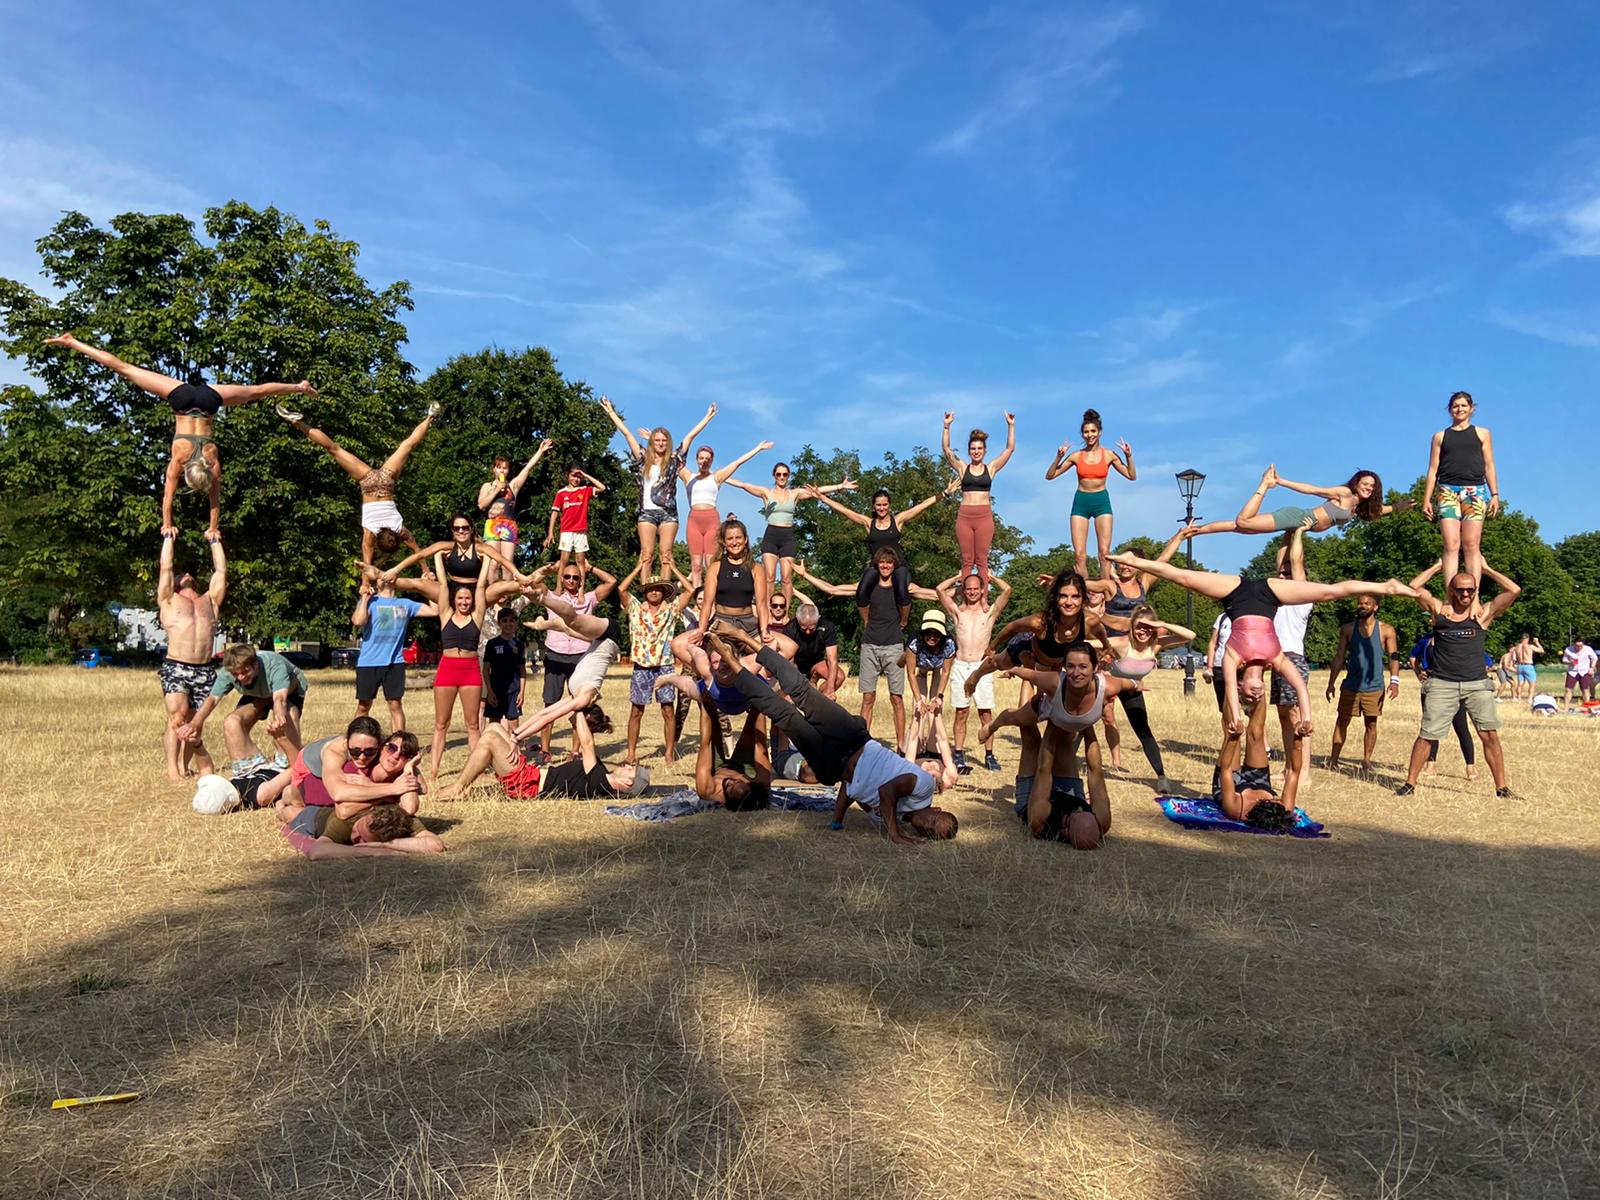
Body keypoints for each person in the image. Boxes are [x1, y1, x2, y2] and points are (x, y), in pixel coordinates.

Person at [1104, 549, 1414, 741]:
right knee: (1328, 593)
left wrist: (1237, 716)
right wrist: (1307, 718)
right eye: (1258, 693)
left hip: (1235, 594)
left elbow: (1229, 697)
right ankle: (1385, 587)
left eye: (1249, 693)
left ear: (1242, 687)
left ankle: (1136, 561)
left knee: (1182, 578)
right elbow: (1301, 689)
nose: (1255, 691)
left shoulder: (1234, 658)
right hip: (1268, 595)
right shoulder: (1275, 658)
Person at [44, 333, 317, 536]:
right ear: (188, 473)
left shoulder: (212, 462)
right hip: (182, 402)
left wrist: (213, 526)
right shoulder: (180, 460)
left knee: (257, 391)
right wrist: (168, 523)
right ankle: (299, 386)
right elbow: (167, 498)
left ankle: (72, 342)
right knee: (124, 369)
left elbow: (214, 500)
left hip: (209, 400)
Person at [1395, 560, 1521, 797]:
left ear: (1475, 591)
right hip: (1442, 684)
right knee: (1427, 735)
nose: (1465, 593)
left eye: (1470, 590)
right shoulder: (1439, 612)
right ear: (1451, 590)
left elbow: (1514, 591)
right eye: (1460, 589)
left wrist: (1487, 570)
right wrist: (1438, 565)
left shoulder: (1482, 616)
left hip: (1477, 684)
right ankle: (1410, 784)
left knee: (1489, 735)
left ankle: (1502, 788)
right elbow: (1414, 586)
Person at [993, 644, 1119, 849]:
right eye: (1083, 810)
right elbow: (1096, 773)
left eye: (1075, 816)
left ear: (1066, 830)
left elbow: (1043, 770)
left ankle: (1028, 672)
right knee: (1066, 740)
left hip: (1033, 797)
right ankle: (1037, 677)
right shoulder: (1101, 822)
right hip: (1069, 793)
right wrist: (1087, 726)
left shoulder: (1041, 822)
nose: (1077, 811)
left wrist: (1055, 717)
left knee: (1030, 737)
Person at [278, 406, 437, 567]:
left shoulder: (399, 529)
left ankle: (430, 417)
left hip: (384, 480)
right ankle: (297, 423)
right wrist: (365, 584)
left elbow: (418, 551)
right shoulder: (370, 533)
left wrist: (425, 569)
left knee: (407, 445)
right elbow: (367, 563)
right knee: (333, 450)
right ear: (378, 543)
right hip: (368, 484)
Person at [426, 554, 524, 785]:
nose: (464, 602)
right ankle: (433, 770)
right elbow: (442, 585)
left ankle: (474, 768)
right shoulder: (445, 614)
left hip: (470, 670)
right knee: (441, 723)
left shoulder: (477, 616)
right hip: (447, 669)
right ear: (454, 599)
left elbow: (481, 585)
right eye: (460, 598)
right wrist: (438, 558)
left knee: (472, 724)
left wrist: (487, 558)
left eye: (467, 598)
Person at [798, 552, 913, 746]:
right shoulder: (865, 587)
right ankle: (863, 743)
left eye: (889, 563)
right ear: (877, 565)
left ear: (895, 565)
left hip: (893, 646)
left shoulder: (904, 587)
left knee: (897, 698)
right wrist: (805, 575)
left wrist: (961, 584)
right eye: (882, 562)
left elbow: (934, 594)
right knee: (868, 698)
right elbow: (833, 590)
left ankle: (901, 745)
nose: (885, 566)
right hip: (869, 646)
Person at [598, 394, 715, 580]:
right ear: (652, 442)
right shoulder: (643, 458)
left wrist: (707, 417)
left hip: (668, 513)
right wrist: (611, 412)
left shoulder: (674, 460)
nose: (661, 443)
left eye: (664, 440)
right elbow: (627, 435)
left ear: (668, 443)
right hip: (647, 512)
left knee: (666, 556)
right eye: (657, 440)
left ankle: (665, 597)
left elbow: (690, 436)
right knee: (646, 556)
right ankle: (646, 594)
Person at [805, 482, 956, 610]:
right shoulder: (868, 523)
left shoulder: (897, 520)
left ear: (889, 505)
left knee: (906, 590)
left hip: (898, 566)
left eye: (885, 505)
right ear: (873, 506)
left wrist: (945, 493)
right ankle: (867, 622)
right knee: (861, 590)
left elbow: (922, 506)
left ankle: (905, 619)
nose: (882, 508)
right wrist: (821, 497)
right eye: (878, 505)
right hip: (877, 566)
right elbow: (844, 510)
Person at [721, 461, 853, 607]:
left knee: (786, 578)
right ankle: (768, 610)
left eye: (785, 474)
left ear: (788, 476)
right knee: (769, 577)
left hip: (787, 536)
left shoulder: (794, 494)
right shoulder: (767, 493)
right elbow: (743, 485)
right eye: (779, 474)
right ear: (774, 476)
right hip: (771, 535)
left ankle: (785, 611)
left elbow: (818, 491)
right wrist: (722, 477)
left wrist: (840, 486)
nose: (782, 477)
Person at [438, 709, 648, 800]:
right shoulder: (600, 772)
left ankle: (459, 787)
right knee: (494, 728)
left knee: (490, 739)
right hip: (531, 773)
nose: (628, 765)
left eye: (632, 769)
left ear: (628, 782)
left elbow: (587, 742)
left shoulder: (599, 782)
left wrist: (578, 707)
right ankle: (465, 785)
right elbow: (587, 739)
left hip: (527, 785)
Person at [523, 562, 619, 759]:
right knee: (570, 621)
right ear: (561, 578)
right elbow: (531, 581)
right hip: (565, 651)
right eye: (567, 577)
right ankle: (545, 750)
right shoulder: (554, 594)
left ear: (581, 580)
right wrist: (546, 570)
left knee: (569, 622)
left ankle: (575, 752)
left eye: (576, 577)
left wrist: (591, 568)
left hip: (583, 651)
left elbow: (612, 582)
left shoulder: (589, 598)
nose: (571, 580)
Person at [509, 583, 626, 740]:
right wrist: (517, 739)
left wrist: (517, 733)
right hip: (610, 634)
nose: (577, 726)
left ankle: (544, 624)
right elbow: (547, 718)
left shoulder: (577, 697)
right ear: (587, 717)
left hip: (598, 642)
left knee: (566, 628)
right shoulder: (582, 700)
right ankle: (542, 599)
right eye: (580, 725)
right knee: (573, 620)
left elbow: (545, 713)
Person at [176, 644, 310, 776]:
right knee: (232, 722)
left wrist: (279, 718)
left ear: (255, 665)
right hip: (257, 693)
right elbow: (212, 699)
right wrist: (194, 724)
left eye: (245, 672)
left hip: (290, 689)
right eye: (236, 674)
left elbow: (279, 699)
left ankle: (287, 764)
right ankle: (249, 768)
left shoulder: (274, 665)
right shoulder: (228, 672)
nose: (241, 677)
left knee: (288, 715)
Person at [157, 529, 225, 782]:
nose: (185, 574)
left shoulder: (210, 602)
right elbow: (165, 567)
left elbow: (221, 572)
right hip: (176, 666)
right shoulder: (169, 600)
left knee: (195, 721)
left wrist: (214, 541)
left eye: (189, 574)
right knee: (177, 717)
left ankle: (186, 768)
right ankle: (173, 769)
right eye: (180, 575)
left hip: (204, 668)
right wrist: (168, 539)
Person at [1104, 604, 1193, 792]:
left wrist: (1161, 623)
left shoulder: (1157, 644)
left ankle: (1161, 777)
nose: (1142, 631)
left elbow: (1189, 636)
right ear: (1131, 627)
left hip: (1133, 689)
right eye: (1138, 627)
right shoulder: (1122, 643)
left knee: (1144, 732)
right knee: (1083, 723)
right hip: (1109, 684)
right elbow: (1090, 643)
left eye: (1147, 627)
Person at [1187, 465, 1414, 539]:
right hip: (1298, 517)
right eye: (1365, 483)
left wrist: (1397, 507)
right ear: (1356, 483)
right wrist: (1281, 481)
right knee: (1244, 522)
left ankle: (1196, 531)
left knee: (1241, 530)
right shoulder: (1344, 493)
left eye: (1372, 486)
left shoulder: (1357, 505)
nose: (1368, 488)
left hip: (1300, 527)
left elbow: (1376, 512)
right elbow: (1313, 490)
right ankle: (1264, 485)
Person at [273, 720, 425, 825]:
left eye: (370, 751)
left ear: (379, 745)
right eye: (355, 751)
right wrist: (393, 790)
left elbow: (422, 788)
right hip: (309, 767)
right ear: (347, 744)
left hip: (336, 781)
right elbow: (338, 793)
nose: (362, 757)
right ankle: (285, 794)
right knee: (299, 802)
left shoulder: (389, 748)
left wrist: (409, 766)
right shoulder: (336, 750)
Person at [1045, 408, 1136, 579]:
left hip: (1101, 502)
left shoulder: (1109, 455)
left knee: (1104, 553)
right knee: (1080, 555)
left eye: (1093, 431)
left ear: (1099, 432)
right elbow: (1050, 476)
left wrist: (1128, 456)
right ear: (1082, 435)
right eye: (1086, 432)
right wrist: (1058, 457)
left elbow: (1131, 476)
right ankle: (1084, 593)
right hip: (1081, 502)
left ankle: (1105, 595)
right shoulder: (1076, 456)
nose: (1090, 435)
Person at [937, 570, 1012, 773]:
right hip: (961, 665)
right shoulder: (957, 613)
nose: (971, 592)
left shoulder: (989, 613)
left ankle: (989, 755)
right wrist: (958, 576)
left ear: (982, 591)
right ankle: (959, 755)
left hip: (982, 667)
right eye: (968, 589)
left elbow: (1007, 590)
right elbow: (939, 590)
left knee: (985, 713)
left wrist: (991, 576)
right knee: (961, 712)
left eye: (975, 589)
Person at [1422, 391, 1500, 587]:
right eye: (1456, 406)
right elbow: (1433, 470)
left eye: (1464, 405)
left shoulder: (1482, 433)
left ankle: (1473, 596)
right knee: (1451, 544)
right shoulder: (1440, 437)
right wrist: (1426, 499)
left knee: (1471, 544)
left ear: (1471, 408)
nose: (1460, 409)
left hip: (1475, 491)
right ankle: (1450, 595)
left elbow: (1489, 465)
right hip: (1447, 491)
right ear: (1450, 410)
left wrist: (1495, 495)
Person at [678, 439, 775, 588]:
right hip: (694, 520)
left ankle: (712, 599)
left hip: (711, 520)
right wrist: (651, 439)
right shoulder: (688, 476)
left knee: (710, 564)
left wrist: (758, 448)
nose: (704, 461)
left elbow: (737, 462)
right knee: (696, 566)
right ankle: (697, 599)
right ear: (696, 460)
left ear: (712, 461)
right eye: (701, 458)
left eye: (708, 459)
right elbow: (670, 459)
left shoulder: (716, 477)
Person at [1324, 594, 1401, 773]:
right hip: (1351, 685)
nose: (1362, 606)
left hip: (1374, 686)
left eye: (1367, 603)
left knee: (1371, 723)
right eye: (1360, 603)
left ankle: (1366, 760)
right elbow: (1339, 657)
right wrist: (1331, 683)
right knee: (1342, 721)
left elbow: (1394, 656)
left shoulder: (1386, 630)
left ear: (1375, 607)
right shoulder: (1348, 629)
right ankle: (1333, 760)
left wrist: (1394, 681)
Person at [941, 411, 1017, 585]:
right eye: (973, 449)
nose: (976, 452)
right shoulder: (962, 467)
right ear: (969, 451)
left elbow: (1010, 449)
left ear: (985, 450)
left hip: (984, 517)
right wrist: (947, 426)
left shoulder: (991, 468)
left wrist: (1011, 426)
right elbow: (946, 449)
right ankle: (966, 600)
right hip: (965, 516)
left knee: (982, 560)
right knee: (967, 560)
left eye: (979, 448)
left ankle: (983, 599)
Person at [352, 574, 434, 731]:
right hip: (369, 662)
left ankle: (399, 744)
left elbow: (434, 610)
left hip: (394, 663)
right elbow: (358, 621)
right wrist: (364, 599)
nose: (385, 577)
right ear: (377, 581)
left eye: (389, 574)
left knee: (395, 705)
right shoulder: (371, 601)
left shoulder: (406, 604)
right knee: (364, 706)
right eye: (381, 575)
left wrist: (426, 585)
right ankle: (356, 741)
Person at [1269, 527, 1315, 798]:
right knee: (1285, 719)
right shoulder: (1277, 599)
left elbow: (1295, 563)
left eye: (1288, 573)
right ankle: (1290, 768)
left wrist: (1299, 533)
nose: (1283, 575)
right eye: (1281, 573)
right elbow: (1283, 562)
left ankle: (1304, 772)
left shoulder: (1301, 599)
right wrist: (1285, 536)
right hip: (1276, 661)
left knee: (1298, 718)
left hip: (1292, 660)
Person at [620, 567, 682, 765]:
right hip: (642, 666)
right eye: (649, 589)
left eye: (658, 589)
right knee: (636, 711)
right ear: (645, 592)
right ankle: (631, 754)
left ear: (664, 592)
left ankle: (669, 753)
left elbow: (690, 590)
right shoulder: (636, 608)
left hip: (664, 665)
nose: (654, 592)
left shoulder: (671, 610)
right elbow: (621, 589)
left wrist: (673, 569)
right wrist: (638, 568)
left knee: (668, 710)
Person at [1213, 686, 1296, 830]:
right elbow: (1294, 772)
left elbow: (1225, 769)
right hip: (1259, 782)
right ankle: (1257, 678)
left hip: (1231, 788)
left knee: (1232, 728)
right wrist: (1299, 739)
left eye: (1275, 800)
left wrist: (1234, 737)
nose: (1277, 798)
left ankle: (1231, 678)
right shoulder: (1284, 808)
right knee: (1256, 734)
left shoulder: (1237, 808)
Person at [382, 514, 524, 592]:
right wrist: (396, 569)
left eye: (464, 528)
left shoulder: (481, 549)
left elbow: (502, 560)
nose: (461, 531)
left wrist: (517, 574)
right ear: (452, 531)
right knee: (419, 584)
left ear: (471, 529)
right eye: (457, 528)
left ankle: (531, 581)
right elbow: (419, 555)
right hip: (452, 590)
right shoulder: (446, 546)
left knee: (504, 587)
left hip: (477, 590)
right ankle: (380, 576)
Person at [1094, 525, 1190, 639]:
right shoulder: (1111, 584)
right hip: (1108, 634)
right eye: (1122, 563)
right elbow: (1083, 585)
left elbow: (1163, 558)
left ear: (1138, 566)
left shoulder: (1144, 583)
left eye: (1129, 564)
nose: (1125, 567)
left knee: (1162, 630)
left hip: (1132, 636)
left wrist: (1179, 538)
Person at [1407, 631, 1478, 780]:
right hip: (1431, 684)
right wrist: (1418, 673)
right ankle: (1430, 766)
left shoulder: (1458, 637)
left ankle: (1470, 768)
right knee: (1431, 727)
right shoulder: (1425, 640)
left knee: (1461, 726)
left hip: (1453, 685)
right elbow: (1413, 656)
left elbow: (1481, 659)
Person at [478, 440, 555, 576]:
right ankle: (492, 594)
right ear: (494, 469)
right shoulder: (487, 486)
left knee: (508, 564)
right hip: (492, 525)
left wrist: (540, 451)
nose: (502, 470)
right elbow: (481, 505)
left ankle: (507, 595)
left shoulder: (513, 485)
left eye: (505, 468)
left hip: (509, 525)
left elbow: (527, 468)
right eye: (499, 467)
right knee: (493, 564)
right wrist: (496, 491)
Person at [281, 803, 444, 860]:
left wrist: (385, 845)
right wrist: (370, 851)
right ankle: (283, 801)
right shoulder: (346, 821)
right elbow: (316, 851)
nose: (354, 836)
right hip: (313, 817)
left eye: (361, 839)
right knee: (286, 813)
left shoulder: (401, 819)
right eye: (359, 830)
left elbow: (435, 845)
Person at [699, 518, 771, 642]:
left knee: (786, 647)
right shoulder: (715, 567)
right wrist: (701, 630)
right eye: (730, 539)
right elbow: (707, 603)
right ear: (724, 542)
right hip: (721, 621)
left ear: (745, 540)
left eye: (738, 538)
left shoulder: (757, 568)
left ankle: (745, 660)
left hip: (748, 624)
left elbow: (762, 604)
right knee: (680, 645)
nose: (734, 542)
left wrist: (764, 630)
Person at [544, 464, 610, 578]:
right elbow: (554, 513)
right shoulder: (561, 493)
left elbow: (602, 488)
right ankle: (559, 589)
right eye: (573, 476)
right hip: (566, 531)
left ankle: (580, 591)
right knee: (563, 561)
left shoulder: (584, 490)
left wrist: (586, 475)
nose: (576, 479)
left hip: (580, 531)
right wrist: (550, 533)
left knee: (581, 562)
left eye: (579, 477)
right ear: (567, 476)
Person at [773, 593, 846, 695]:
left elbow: (832, 659)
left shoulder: (827, 627)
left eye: (811, 628)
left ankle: (821, 698)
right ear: (798, 621)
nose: (807, 632)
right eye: (803, 628)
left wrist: (830, 688)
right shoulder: (790, 629)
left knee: (839, 677)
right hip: (796, 664)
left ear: (817, 620)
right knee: (785, 689)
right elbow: (789, 660)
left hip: (816, 663)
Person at [482, 608, 528, 730]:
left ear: (516, 624)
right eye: (504, 621)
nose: (508, 624)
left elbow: (522, 670)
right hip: (496, 690)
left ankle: (513, 749)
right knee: (494, 725)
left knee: (513, 725)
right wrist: (490, 692)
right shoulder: (492, 644)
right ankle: (495, 748)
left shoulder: (519, 645)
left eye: (511, 621)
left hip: (513, 691)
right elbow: (486, 669)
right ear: (499, 623)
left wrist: (521, 692)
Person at [1202, 612, 1232, 716]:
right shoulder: (1222, 617)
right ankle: (1229, 731)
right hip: (1219, 666)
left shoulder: (1247, 615)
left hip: (1240, 667)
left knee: (1247, 707)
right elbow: (1213, 643)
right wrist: (1209, 667)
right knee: (1225, 709)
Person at [1562, 637, 1598, 711]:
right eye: (1577, 646)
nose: (1578, 647)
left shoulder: (1588, 649)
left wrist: (1592, 667)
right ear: (1574, 644)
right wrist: (1569, 662)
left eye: (1580, 646)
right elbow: (1564, 660)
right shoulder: (1568, 649)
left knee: (1585, 690)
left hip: (1584, 671)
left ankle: (1586, 708)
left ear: (1583, 644)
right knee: (1568, 690)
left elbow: (1595, 658)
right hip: (1572, 672)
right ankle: (1566, 708)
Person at [1511, 634, 1544, 701]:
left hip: (1520, 665)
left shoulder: (1517, 647)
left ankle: (1519, 698)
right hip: (1528, 665)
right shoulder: (1530, 646)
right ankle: (1529, 699)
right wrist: (1537, 642)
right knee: (1532, 684)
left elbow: (1513, 656)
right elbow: (1541, 650)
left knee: (1520, 684)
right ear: (1528, 639)